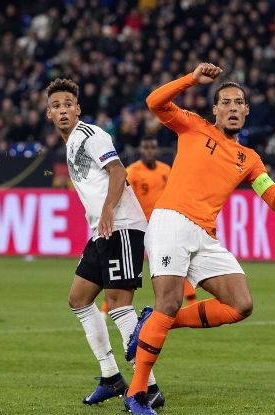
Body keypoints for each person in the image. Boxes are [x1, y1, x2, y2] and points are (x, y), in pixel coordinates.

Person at [123, 63, 275, 414]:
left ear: (247, 110)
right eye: (226, 102)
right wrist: (191, 79)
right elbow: (154, 102)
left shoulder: (249, 159)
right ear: (216, 110)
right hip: (172, 220)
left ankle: (157, 321)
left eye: (239, 102)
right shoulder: (192, 126)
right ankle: (136, 393)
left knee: (241, 304)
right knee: (169, 302)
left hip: (204, 234)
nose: (233, 107)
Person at [44, 79, 164, 409]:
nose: (63, 109)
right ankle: (111, 377)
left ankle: (147, 389)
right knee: (79, 299)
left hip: (121, 226)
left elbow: (117, 171)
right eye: (56, 106)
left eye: (68, 103)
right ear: (49, 114)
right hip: (102, 232)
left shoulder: (90, 135)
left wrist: (109, 209)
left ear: (77, 109)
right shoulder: (69, 146)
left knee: (120, 306)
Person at [100, 137, 198, 316]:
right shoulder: (132, 172)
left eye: (153, 147)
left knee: (175, 263)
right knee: (126, 269)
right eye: (146, 147)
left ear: (157, 150)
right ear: (141, 149)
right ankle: (105, 309)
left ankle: (192, 303)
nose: (149, 151)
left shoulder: (165, 170)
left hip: (161, 227)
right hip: (138, 227)